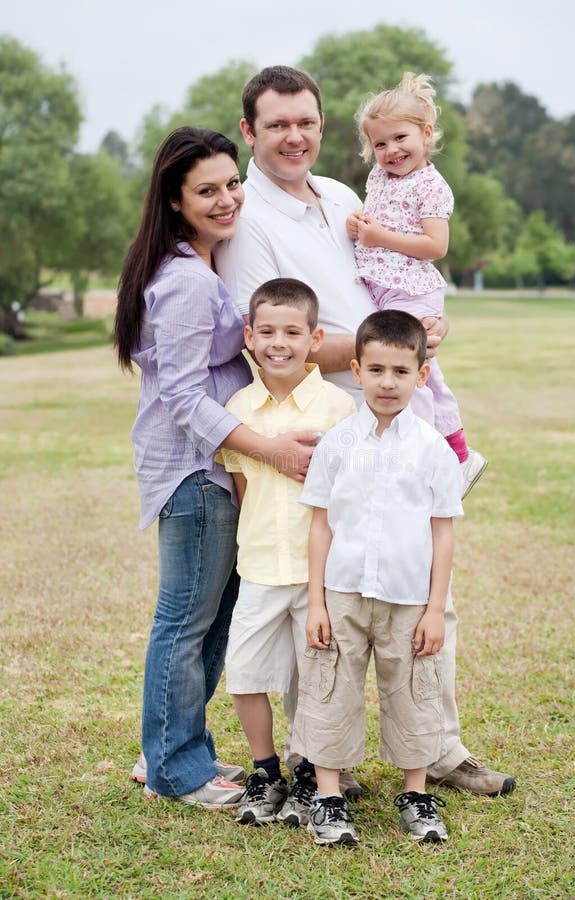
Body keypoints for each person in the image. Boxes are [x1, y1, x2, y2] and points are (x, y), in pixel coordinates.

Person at [216, 65, 516, 797]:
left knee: (424, 592)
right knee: (332, 600)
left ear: (325, 129)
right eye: (278, 124)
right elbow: (277, 337)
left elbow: (395, 283)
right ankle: (326, 767)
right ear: (250, 132)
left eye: (307, 122)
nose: (295, 136)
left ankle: (441, 750)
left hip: (399, 412)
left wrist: (422, 329)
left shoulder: (348, 196)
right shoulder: (247, 221)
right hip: (329, 424)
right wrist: (389, 350)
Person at [114, 126, 317, 809]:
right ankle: (174, 769)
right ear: (175, 201)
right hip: (195, 472)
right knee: (185, 623)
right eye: (207, 190)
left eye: (232, 183)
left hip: (215, 469)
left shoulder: (200, 270)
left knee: (210, 618)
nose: (227, 198)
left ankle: (182, 751)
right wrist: (272, 451)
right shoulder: (185, 283)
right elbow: (181, 397)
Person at [292, 310, 463, 845]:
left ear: (421, 375)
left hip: (409, 598)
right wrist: (316, 603)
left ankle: (415, 794)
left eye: (401, 371)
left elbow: (442, 535)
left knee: (414, 690)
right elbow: (320, 527)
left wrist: (435, 610)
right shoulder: (338, 444)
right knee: (330, 690)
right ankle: (328, 798)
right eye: (377, 369)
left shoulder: (433, 450)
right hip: (341, 594)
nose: (388, 382)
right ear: (356, 370)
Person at [219, 278, 356, 827]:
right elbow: (242, 488)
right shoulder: (237, 408)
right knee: (245, 674)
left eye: (293, 332)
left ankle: (308, 773)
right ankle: (265, 771)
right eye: (267, 331)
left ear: (315, 338)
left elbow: (348, 496)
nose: (280, 342)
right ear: (249, 338)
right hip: (257, 567)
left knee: (315, 677)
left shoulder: (339, 407)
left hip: (316, 573)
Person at [347, 72, 486, 496]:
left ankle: (433, 455)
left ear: (426, 134)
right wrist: (359, 225)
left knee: (414, 374)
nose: (390, 151)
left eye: (400, 138)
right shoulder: (379, 180)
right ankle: (456, 455)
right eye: (380, 144)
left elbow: (435, 245)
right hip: (384, 288)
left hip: (412, 289)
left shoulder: (431, 186)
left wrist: (377, 237)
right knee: (421, 372)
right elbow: (376, 223)